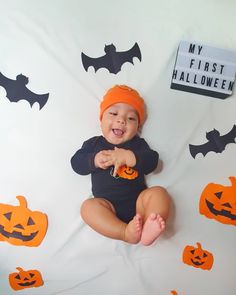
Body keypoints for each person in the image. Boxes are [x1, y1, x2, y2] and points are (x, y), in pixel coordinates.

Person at [71, 85, 170, 246]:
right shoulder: (94, 144)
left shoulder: (137, 145)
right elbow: (76, 163)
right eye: (114, 113)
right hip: (107, 206)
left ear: (138, 127)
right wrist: (94, 160)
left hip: (140, 204)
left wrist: (129, 157)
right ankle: (124, 232)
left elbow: (152, 162)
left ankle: (149, 227)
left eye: (131, 118)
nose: (121, 120)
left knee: (159, 193)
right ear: (101, 119)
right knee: (88, 207)